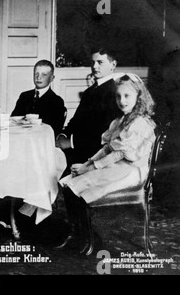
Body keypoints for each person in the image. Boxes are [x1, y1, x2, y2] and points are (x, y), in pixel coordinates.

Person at [55, 73, 156, 251]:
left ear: (139, 97)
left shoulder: (139, 123)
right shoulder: (120, 120)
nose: (121, 101)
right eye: (118, 96)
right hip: (118, 165)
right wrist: (88, 164)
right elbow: (107, 149)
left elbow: (120, 154)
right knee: (69, 183)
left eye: (127, 96)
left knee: (77, 186)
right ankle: (81, 234)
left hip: (132, 170)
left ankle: (90, 238)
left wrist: (91, 168)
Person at [55, 48, 122, 168]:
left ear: (113, 65)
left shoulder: (115, 93)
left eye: (100, 62)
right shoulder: (89, 91)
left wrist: (70, 142)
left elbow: (104, 132)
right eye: (93, 62)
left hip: (95, 153)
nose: (95, 67)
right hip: (79, 146)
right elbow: (76, 120)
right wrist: (64, 135)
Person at [11, 59, 66, 136]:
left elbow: (54, 128)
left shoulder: (56, 101)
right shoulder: (25, 96)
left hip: (41, 139)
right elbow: (14, 118)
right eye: (36, 74)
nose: (38, 78)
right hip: (22, 136)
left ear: (51, 78)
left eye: (44, 75)